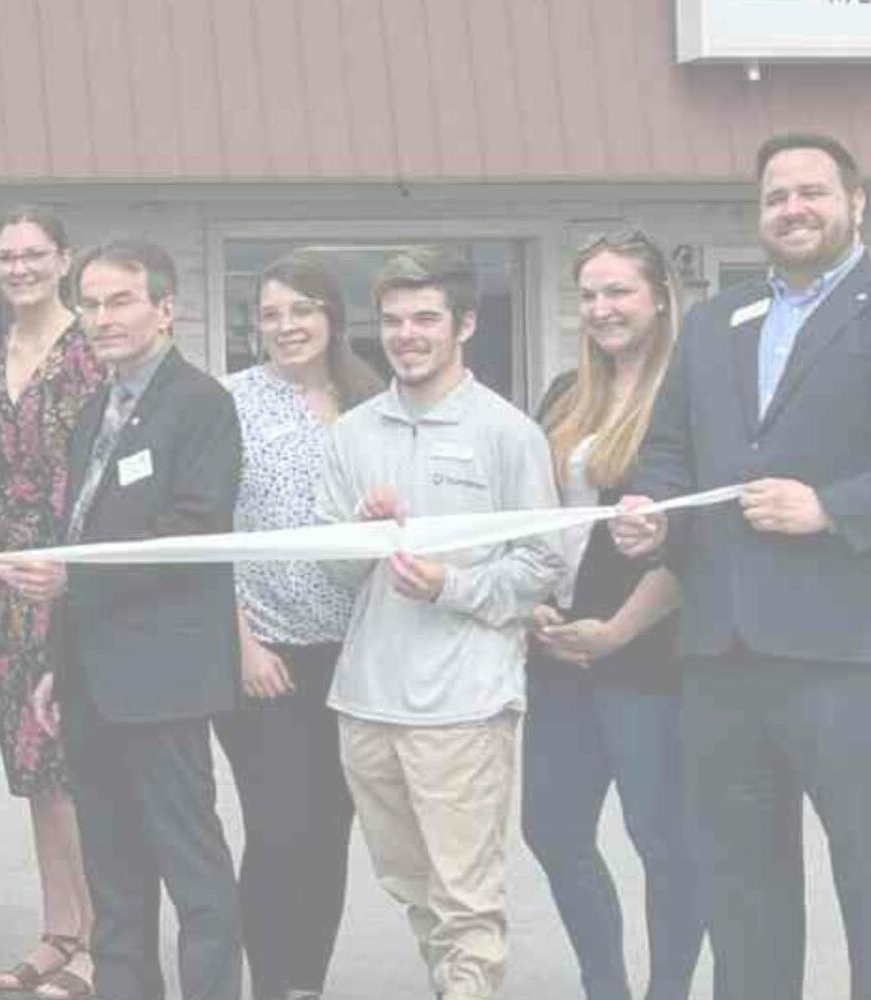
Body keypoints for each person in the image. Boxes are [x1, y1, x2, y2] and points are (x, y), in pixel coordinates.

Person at [614, 132, 871, 1000]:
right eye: (775, 197)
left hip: (852, 654)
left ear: (856, 203)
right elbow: (671, 452)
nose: (792, 209)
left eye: (812, 192)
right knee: (742, 890)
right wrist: (652, 517)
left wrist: (833, 506)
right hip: (724, 653)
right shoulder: (717, 323)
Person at [0, 238, 245, 1000]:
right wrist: (56, 669)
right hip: (94, 683)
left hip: (164, 683)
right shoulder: (94, 409)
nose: (102, 319)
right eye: (92, 304)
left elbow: (195, 533)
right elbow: (80, 539)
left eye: (120, 301)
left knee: (193, 873)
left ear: (165, 310)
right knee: (114, 874)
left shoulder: (201, 404)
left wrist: (72, 575)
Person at [316, 247, 562, 1000]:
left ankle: (467, 987)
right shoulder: (352, 434)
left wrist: (449, 585)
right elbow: (328, 568)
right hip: (366, 699)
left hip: (463, 703)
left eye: (426, 318)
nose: (406, 334)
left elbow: (543, 568)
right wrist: (365, 535)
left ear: (465, 325)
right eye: (391, 320)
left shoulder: (508, 431)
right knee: (411, 885)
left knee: (466, 897)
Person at [521, 231, 704, 1000]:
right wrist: (531, 602)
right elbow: (530, 513)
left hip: (648, 650)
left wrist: (619, 630)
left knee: (664, 843)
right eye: (590, 295)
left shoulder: (692, 393)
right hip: (558, 644)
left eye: (619, 291)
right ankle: (606, 987)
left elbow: (699, 538)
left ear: (660, 295)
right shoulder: (567, 391)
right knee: (553, 831)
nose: (602, 309)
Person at [213, 253, 382, 1000]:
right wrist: (242, 641)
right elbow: (207, 528)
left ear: (332, 317)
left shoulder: (372, 400)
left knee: (328, 831)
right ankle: (269, 982)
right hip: (263, 653)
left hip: (355, 656)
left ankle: (305, 983)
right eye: (271, 314)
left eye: (301, 310)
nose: (286, 326)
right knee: (280, 828)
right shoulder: (231, 401)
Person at [0, 207, 104, 1000]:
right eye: (8, 254)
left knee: (83, 759)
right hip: (6, 579)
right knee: (35, 765)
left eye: (35, 254)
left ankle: (105, 939)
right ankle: (60, 930)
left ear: (65, 258)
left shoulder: (94, 350)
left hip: (79, 572)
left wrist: (84, 568)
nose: (20, 267)